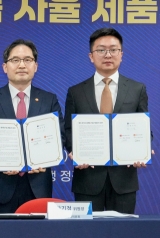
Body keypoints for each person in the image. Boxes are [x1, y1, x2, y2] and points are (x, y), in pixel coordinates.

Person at [64, 28, 152, 214]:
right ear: (91, 56)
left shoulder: (137, 89)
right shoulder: (76, 92)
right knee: (87, 236)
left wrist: (144, 149)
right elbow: (69, 130)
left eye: (113, 49)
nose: (108, 55)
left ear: (121, 55)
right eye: (101, 50)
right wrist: (74, 152)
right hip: (87, 178)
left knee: (123, 235)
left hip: (124, 180)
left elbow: (144, 127)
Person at [0, 39, 65, 213]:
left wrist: (44, 159)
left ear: (36, 66)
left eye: (27, 60)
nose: (22, 65)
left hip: (38, 186)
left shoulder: (49, 99)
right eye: (15, 60)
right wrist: (2, 162)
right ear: (5, 67)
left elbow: (59, 136)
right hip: (1, 185)